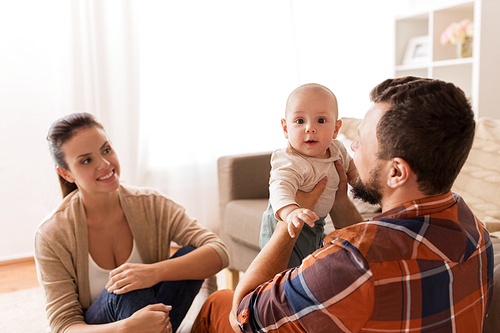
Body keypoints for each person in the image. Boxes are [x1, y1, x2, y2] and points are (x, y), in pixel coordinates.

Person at [191, 76, 495, 333]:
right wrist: (337, 199)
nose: (352, 147)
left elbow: (244, 313)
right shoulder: (475, 230)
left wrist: (288, 223)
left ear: (396, 171)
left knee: (218, 304)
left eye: (361, 141)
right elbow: (385, 249)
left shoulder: (349, 263)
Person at [34, 113, 229, 333]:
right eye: (86, 160)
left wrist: (153, 272)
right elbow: (64, 326)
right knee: (127, 287)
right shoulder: (52, 234)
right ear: (66, 173)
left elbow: (219, 252)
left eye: (106, 150)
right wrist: (127, 327)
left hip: (157, 323)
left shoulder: (151, 204)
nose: (105, 164)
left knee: (189, 255)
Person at [260, 83, 357, 268]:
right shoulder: (289, 159)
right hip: (285, 222)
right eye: (300, 121)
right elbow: (280, 189)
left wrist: (360, 182)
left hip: (315, 222)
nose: (310, 128)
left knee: (309, 265)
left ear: (336, 128)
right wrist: (291, 212)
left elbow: (352, 171)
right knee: (284, 271)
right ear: (285, 128)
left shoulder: (337, 149)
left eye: (321, 121)